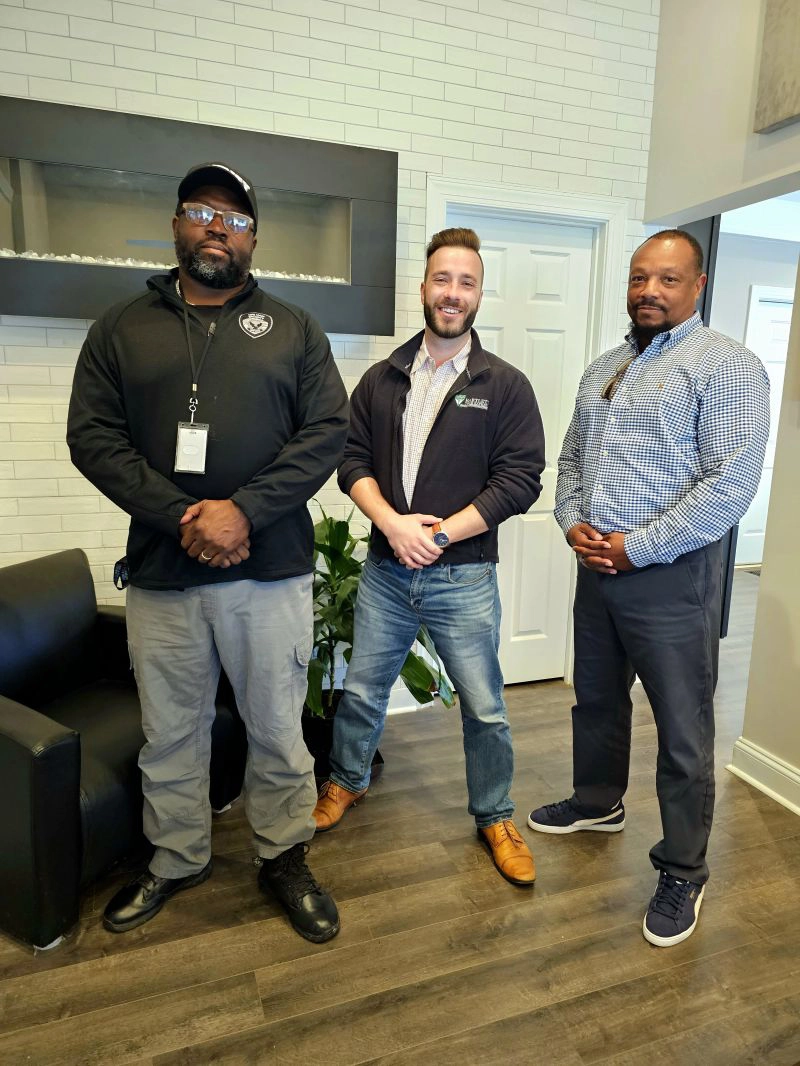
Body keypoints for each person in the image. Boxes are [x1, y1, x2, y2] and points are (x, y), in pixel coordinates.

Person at [67, 162, 349, 943]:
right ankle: (178, 855)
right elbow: (91, 437)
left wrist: (243, 513)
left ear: (254, 238)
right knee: (172, 731)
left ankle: (283, 855)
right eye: (200, 211)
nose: (216, 227)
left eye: (234, 218)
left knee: (275, 727)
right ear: (176, 227)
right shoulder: (121, 329)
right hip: (163, 573)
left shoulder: (295, 329)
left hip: (271, 571)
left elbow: (327, 433)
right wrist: (184, 514)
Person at [528, 229, 770, 946]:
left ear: (697, 286)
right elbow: (571, 459)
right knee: (596, 699)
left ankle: (683, 870)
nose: (648, 292)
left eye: (666, 280)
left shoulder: (727, 366)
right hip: (597, 568)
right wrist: (573, 523)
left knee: (683, 731)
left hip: (670, 578)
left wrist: (641, 548)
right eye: (639, 279)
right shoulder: (606, 366)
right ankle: (600, 801)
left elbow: (730, 486)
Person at [312, 227, 546, 887]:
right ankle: (347, 782)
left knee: (485, 706)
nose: (452, 293)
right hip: (387, 574)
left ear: (478, 294)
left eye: (465, 282)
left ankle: (495, 816)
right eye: (442, 279)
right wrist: (392, 524)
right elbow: (350, 461)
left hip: (464, 577)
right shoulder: (383, 379)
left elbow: (520, 479)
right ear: (424, 287)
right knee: (362, 690)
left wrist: (438, 536)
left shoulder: (503, 385)